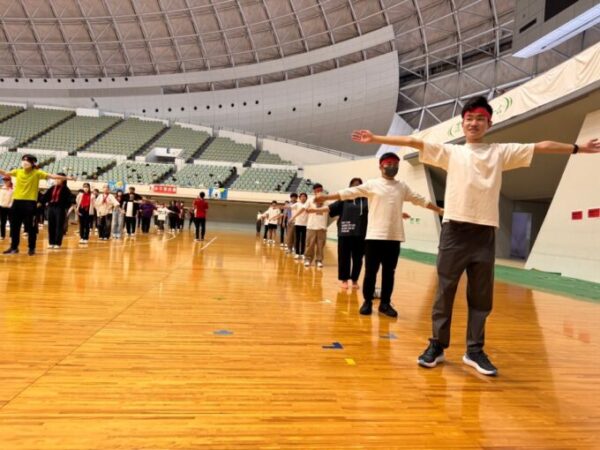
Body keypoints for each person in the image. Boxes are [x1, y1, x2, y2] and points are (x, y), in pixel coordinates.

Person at [351, 95, 600, 376]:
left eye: (480, 119)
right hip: (454, 231)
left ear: (489, 124)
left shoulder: (500, 152)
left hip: (484, 233)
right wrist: (375, 139)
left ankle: (474, 350)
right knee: (445, 292)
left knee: (481, 297)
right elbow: (413, 141)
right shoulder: (452, 152)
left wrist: (578, 148)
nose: (474, 123)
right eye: (469, 118)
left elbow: (541, 146)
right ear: (463, 123)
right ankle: (437, 345)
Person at [317, 152, 443, 319]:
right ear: (381, 166)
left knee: (389, 273)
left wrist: (439, 210)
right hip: (374, 237)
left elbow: (420, 199)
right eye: (388, 163)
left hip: (394, 237)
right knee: (371, 272)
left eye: (395, 164)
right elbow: (349, 192)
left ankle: (385, 304)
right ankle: (367, 302)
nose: (392, 166)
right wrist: (326, 196)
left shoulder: (402, 187)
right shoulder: (372, 184)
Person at [0, 154, 74, 255]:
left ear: (32, 163)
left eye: (27, 161)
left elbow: (52, 176)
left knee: (31, 227)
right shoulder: (17, 171)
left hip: (30, 203)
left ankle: (31, 248)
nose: (24, 163)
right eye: (23, 161)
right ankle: (14, 247)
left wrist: (67, 178)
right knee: (14, 227)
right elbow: (5, 172)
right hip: (17, 202)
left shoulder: (37, 173)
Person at [327, 178, 369, 289]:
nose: (356, 187)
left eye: (358, 185)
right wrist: (316, 209)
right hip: (344, 233)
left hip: (361, 234)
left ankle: (355, 280)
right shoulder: (343, 199)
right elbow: (330, 209)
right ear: (349, 187)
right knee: (344, 258)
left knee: (358, 259)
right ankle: (344, 280)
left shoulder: (366, 200)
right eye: (354, 185)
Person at [40, 173, 74, 249]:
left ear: (63, 180)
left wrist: (69, 204)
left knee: (59, 225)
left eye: (59, 178)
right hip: (51, 208)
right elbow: (45, 197)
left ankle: (57, 243)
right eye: (56, 178)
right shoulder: (52, 188)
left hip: (60, 208)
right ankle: (51, 242)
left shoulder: (66, 189)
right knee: (51, 225)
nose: (57, 180)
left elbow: (71, 198)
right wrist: (41, 202)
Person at [302, 184, 329, 268]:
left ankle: (319, 260)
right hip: (311, 226)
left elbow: (328, 210)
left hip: (322, 227)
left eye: (321, 190)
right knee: (309, 245)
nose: (319, 191)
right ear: (314, 191)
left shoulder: (326, 200)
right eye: (317, 190)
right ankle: (307, 259)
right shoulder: (310, 200)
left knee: (321, 246)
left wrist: (315, 209)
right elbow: (305, 209)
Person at [290, 192, 309, 258]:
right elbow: (289, 207)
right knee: (297, 239)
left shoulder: (308, 204)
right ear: (300, 198)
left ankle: (303, 253)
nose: (303, 197)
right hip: (297, 224)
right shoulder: (297, 204)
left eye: (304, 196)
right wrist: (281, 206)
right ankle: (297, 253)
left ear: (306, 198)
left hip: (305, 224)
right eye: (302, 196)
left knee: (303, 239)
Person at [0, 177, 13, 241]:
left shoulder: (13, 189)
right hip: (2, 207)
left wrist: (11, 205)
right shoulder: (2, 188)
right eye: (4, 180)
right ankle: (2, 235)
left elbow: (14, 198)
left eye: (6, 180)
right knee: (2, 222)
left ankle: (11, 236)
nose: (5, 181)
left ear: (10, 180)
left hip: (10, 208)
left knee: (11, 222)